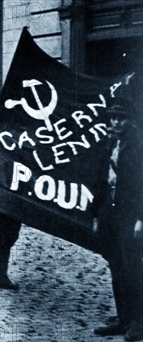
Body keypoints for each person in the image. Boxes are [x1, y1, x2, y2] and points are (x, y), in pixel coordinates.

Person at [93, 99, 143, 341]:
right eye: (112, 117)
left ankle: (138, 321)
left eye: (121, 118)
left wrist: (140, 219)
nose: (115, 122)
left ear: (130, 120)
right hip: (109, 214)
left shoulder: (138, 146)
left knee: (133, 268)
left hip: (130, 216)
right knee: (116, 267)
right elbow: (100, 180)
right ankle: (123, 317)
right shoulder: (110, 142)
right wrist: (95, 214)